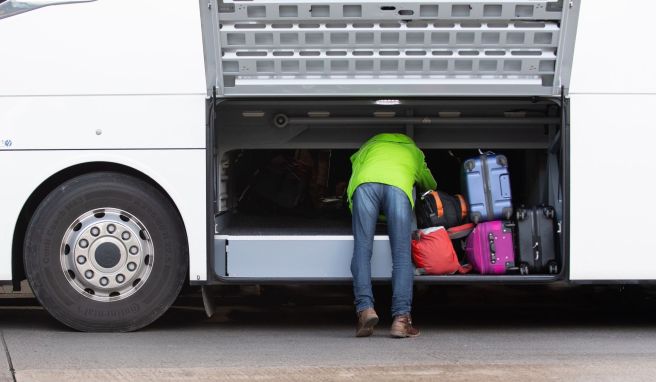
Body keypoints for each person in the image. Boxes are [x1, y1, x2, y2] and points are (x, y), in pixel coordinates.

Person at [347, 133, 437, 338]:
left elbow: (355, 167)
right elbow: (429, 183)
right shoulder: (414, 151)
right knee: (401, 256)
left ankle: (365, 310)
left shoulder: (368, 146)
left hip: (365, 186)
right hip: (398, 188)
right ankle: (401, 319)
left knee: (362, 250)